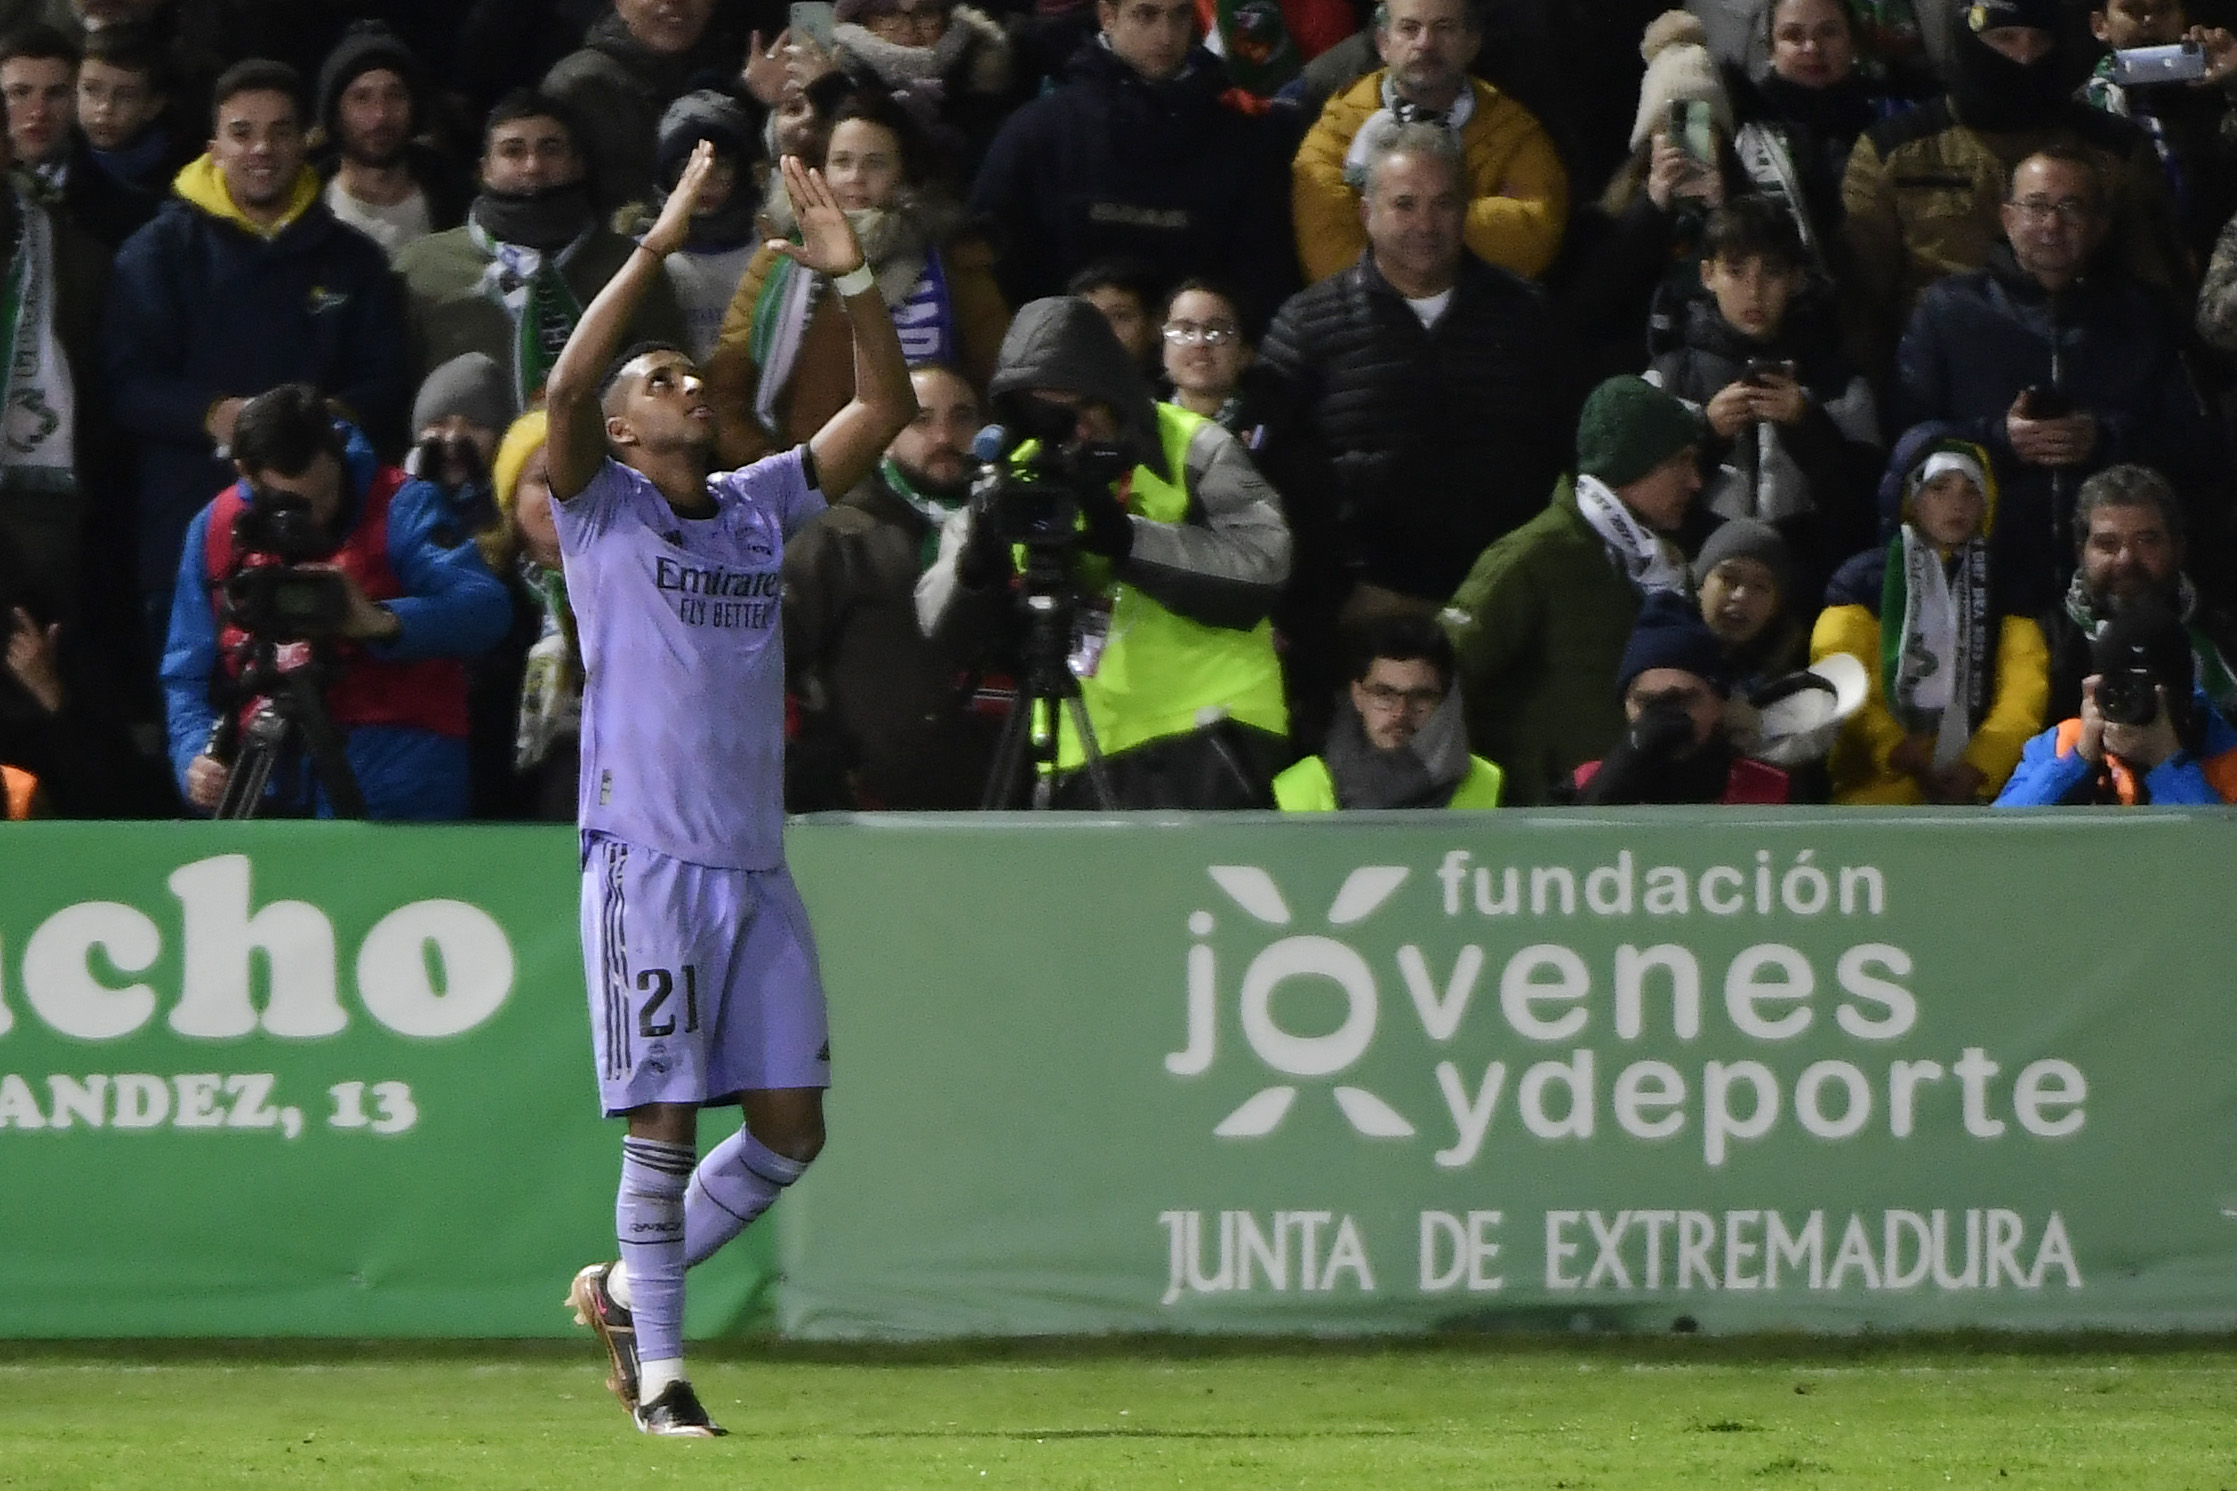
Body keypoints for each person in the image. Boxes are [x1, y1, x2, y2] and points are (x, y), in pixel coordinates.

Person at [550, 143, 914, 1438]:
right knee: (658, 1116)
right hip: (646, 859)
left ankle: (613, 1290)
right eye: (660, 376)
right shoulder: (597, 512)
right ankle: (663, 1378)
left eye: (687, 367)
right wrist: (658, 244)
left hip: (754, 865)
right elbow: (563, 379)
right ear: (620, 430)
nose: (684, 378)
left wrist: (853, 275)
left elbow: (887, 408)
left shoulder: (757, 506)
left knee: (791, 1127)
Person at [917, 295, 1293, 808]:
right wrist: (977, 564)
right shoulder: (1015, 476)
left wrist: (1123, 537)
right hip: (1079, 747)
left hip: (1209, 732)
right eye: (1046, 411)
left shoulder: (1191, 446)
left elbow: (1263, 568)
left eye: (1079, 405)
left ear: (1111, 391)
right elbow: (937, 625)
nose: (1074, 429)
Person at [105, 58, 408, 630]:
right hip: (185, 530)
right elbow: (124, 384)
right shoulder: (155, 254)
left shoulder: (356, 261)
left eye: (280, 131)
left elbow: (387, 381)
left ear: (305, 143)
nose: (261, 148)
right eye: (242, 133)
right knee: (193, 703)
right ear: (214, 146)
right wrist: (214, 414)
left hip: (325, 530)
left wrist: (315, 423)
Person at [1258, 126, 1571, 641]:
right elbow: (1272, 484)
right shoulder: (1306, 327)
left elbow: (1567, 462)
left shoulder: (1529, 318)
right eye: (1405, 204)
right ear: (1367, 214)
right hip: (1358, 625)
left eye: (1443, 202)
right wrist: (1325, 598)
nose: (1426, 223)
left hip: (1506, 617)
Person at [1886, 146, 2223, 607]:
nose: (2052, 225)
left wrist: (2104, 439)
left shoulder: (2144, 314)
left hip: (2119, 586)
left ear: (2101, 226)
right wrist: (1997, 441)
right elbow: (1905, 441)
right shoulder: (1948, 310)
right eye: (2037, 206)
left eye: (2071, 208)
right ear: (2007, 217)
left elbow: (2197, 443)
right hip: (1983, 581)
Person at [161, 383, 512, 820]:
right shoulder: (215, 527)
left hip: (398, 766)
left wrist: (379, 621)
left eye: (327, 494)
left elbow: (487, 609)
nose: (318, 516)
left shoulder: (401, 503)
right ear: (246, 472)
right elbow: (185, 674)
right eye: (296, 505)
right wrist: (194, 755)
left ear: (337, 448)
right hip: (265, 769)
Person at [1840, 0, 2184, 370]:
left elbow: (2154, 281)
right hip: (1946, 371)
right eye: (2005, 38)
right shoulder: (1894, 150)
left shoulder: (2113, 147)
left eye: (2038, 40)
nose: (2024, 57)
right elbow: (1861, 295)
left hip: (2087, 360)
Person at [710, 88, 1007, 471]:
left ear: (905, 171)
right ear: (820, 169)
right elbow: (727, 384)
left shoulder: (952, 263)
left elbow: (996, 377)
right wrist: (760, 459)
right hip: (800, 481)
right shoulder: (779, 259)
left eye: (875, 163)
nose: (855, 178)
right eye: (842, 162)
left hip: (925, 478)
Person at [1442, 373, 1705, 807]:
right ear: (1631, 462)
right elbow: (1444, 676)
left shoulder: (1667, 566)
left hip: (1647, 816)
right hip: (1545, 829)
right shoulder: (1532, 557)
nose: (1695, 482)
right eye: (1681, 461)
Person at [965, 0, 1296, 320]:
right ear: (1107, 15)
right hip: (1060, 363)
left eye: (1180, 14)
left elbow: (1263, 276)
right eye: (1146, 14)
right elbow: (985, 268)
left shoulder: (1239, 140)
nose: (1166, 35)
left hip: (1199, 361)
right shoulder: (1040, 133)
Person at [784, 361, 1003, 809]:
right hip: (870, 805)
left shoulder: (1010, 529)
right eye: (920, 420)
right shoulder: (835, 531)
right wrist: (812, 760)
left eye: (961, 417)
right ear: (885, 436)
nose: (944, 437)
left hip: (996, 795)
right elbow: (774, 656)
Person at [393, 90, 687, 420]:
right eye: (513, 152)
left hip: (606, 460)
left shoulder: (630, 264)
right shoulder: (421, 265)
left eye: (550, 149)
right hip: (459, 460)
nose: (533, 166)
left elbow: (670, 379)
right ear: (484, 170)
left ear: (579, 165)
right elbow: (392, 392)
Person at [1646, 193, 1878, 599]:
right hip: (1692, 575)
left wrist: (1808, 426)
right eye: (1735, 271)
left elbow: (1865, 505)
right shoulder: (1672, 375)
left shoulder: (1838, 381)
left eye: (1770, 272)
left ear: (1797, 278)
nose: (1754, 291)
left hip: (1805, 583)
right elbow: (1640, 497)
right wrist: (1708, 433)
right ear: (1707, 275)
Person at [1811, 433, 2048, 804]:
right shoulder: (1863, 579)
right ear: (1911, 499)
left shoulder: (2007, 587)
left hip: (1974, 793)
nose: (1957, 504)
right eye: (1940, 488)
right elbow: (1837, 667)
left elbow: (2023, 689)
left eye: (1972, 491)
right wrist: (1890, 745)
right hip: (1872, 789)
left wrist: (1981, 765)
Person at [1290, 0, 1568, 285]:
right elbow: (1331, 261)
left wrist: (1385, 226)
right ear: (1383, 43)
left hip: (1481, 318)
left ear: (1472, 43)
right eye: (1410, 28)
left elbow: (1534, 236)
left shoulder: (1512, 130)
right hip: (1369, 324)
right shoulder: (1337, 131)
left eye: (1444, 28)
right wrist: (1471, 218)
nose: (1425, 43)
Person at [2039, 462, 2237, 726]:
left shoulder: (2223, 636)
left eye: (2146, 541)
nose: (2126, 560)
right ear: (2080, 552)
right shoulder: (2043, 642)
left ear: (2178, 548)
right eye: (2107, 544)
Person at [1996, 595, 2237, 803]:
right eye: (2117, 690)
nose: (2131, 702)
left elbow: (2218, 851)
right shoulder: (2063, 744)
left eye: (2147, 691)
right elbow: (2000, 834)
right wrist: (2077, 761)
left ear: (2182, 698)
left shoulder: (2226, 757)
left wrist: (2167, 760)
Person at [468, 407, 580, 820]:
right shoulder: (481, 588)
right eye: (540, 481)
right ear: (511, 497)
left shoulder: (630, 586)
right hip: (497, 812)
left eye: (573, 481)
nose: (558, 496)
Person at [1573, 592, 1793, 803]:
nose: (1663, 719)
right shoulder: (1586, 783)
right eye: (1646, 703)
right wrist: (1622, 770)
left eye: (1683, 701)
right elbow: (1563, 839)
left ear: (1720, 702)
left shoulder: (1771, 791)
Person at [1271, 612, 1503, 809]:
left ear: (1445, 700)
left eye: (1421, 696)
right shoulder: (1302, 787)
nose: (1401, 712)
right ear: (1357, 695)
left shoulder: (1488, 781)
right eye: (1384, 694)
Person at [541, 0, 743, 217]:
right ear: (619, 4)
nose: (675, 2)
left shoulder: (733, 65)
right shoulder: (579, 84)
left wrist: (751, 96)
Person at [2077, 0, 2237, 262]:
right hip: (2119, 274)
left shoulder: (2217, 99)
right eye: (2133, 10)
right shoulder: (2083, 112)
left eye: (2163, 9)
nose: (2149, 20)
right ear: (2100, 25)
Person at [310, 20, 470, 260]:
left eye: (395, 96)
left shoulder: (460, 201)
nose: (380, 115)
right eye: (361, 98)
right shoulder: (303, 207)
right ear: (335, 113)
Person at [625, 87, 760, 362]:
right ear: (666, 176)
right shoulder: (639, 254)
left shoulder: (768, 248)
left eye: (720, 165)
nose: (704, 179)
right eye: (687, 166)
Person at [1, 22, 146, 247]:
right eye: (20, 93)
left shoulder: (126, 209)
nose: (39, 112)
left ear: (76, 99)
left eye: (56, 94)